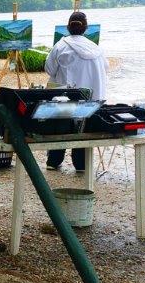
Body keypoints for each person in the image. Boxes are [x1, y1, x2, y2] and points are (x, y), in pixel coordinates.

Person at [44, 11, 108, 172]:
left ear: (68, 27)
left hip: (67, 99)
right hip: (93, 102)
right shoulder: (96, 48)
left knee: (61, 126)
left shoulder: (61, 45)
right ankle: (81, 164)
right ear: (85, 28)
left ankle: (54, 161)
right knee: (83, 127)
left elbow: (49, 69)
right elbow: (106, 68)